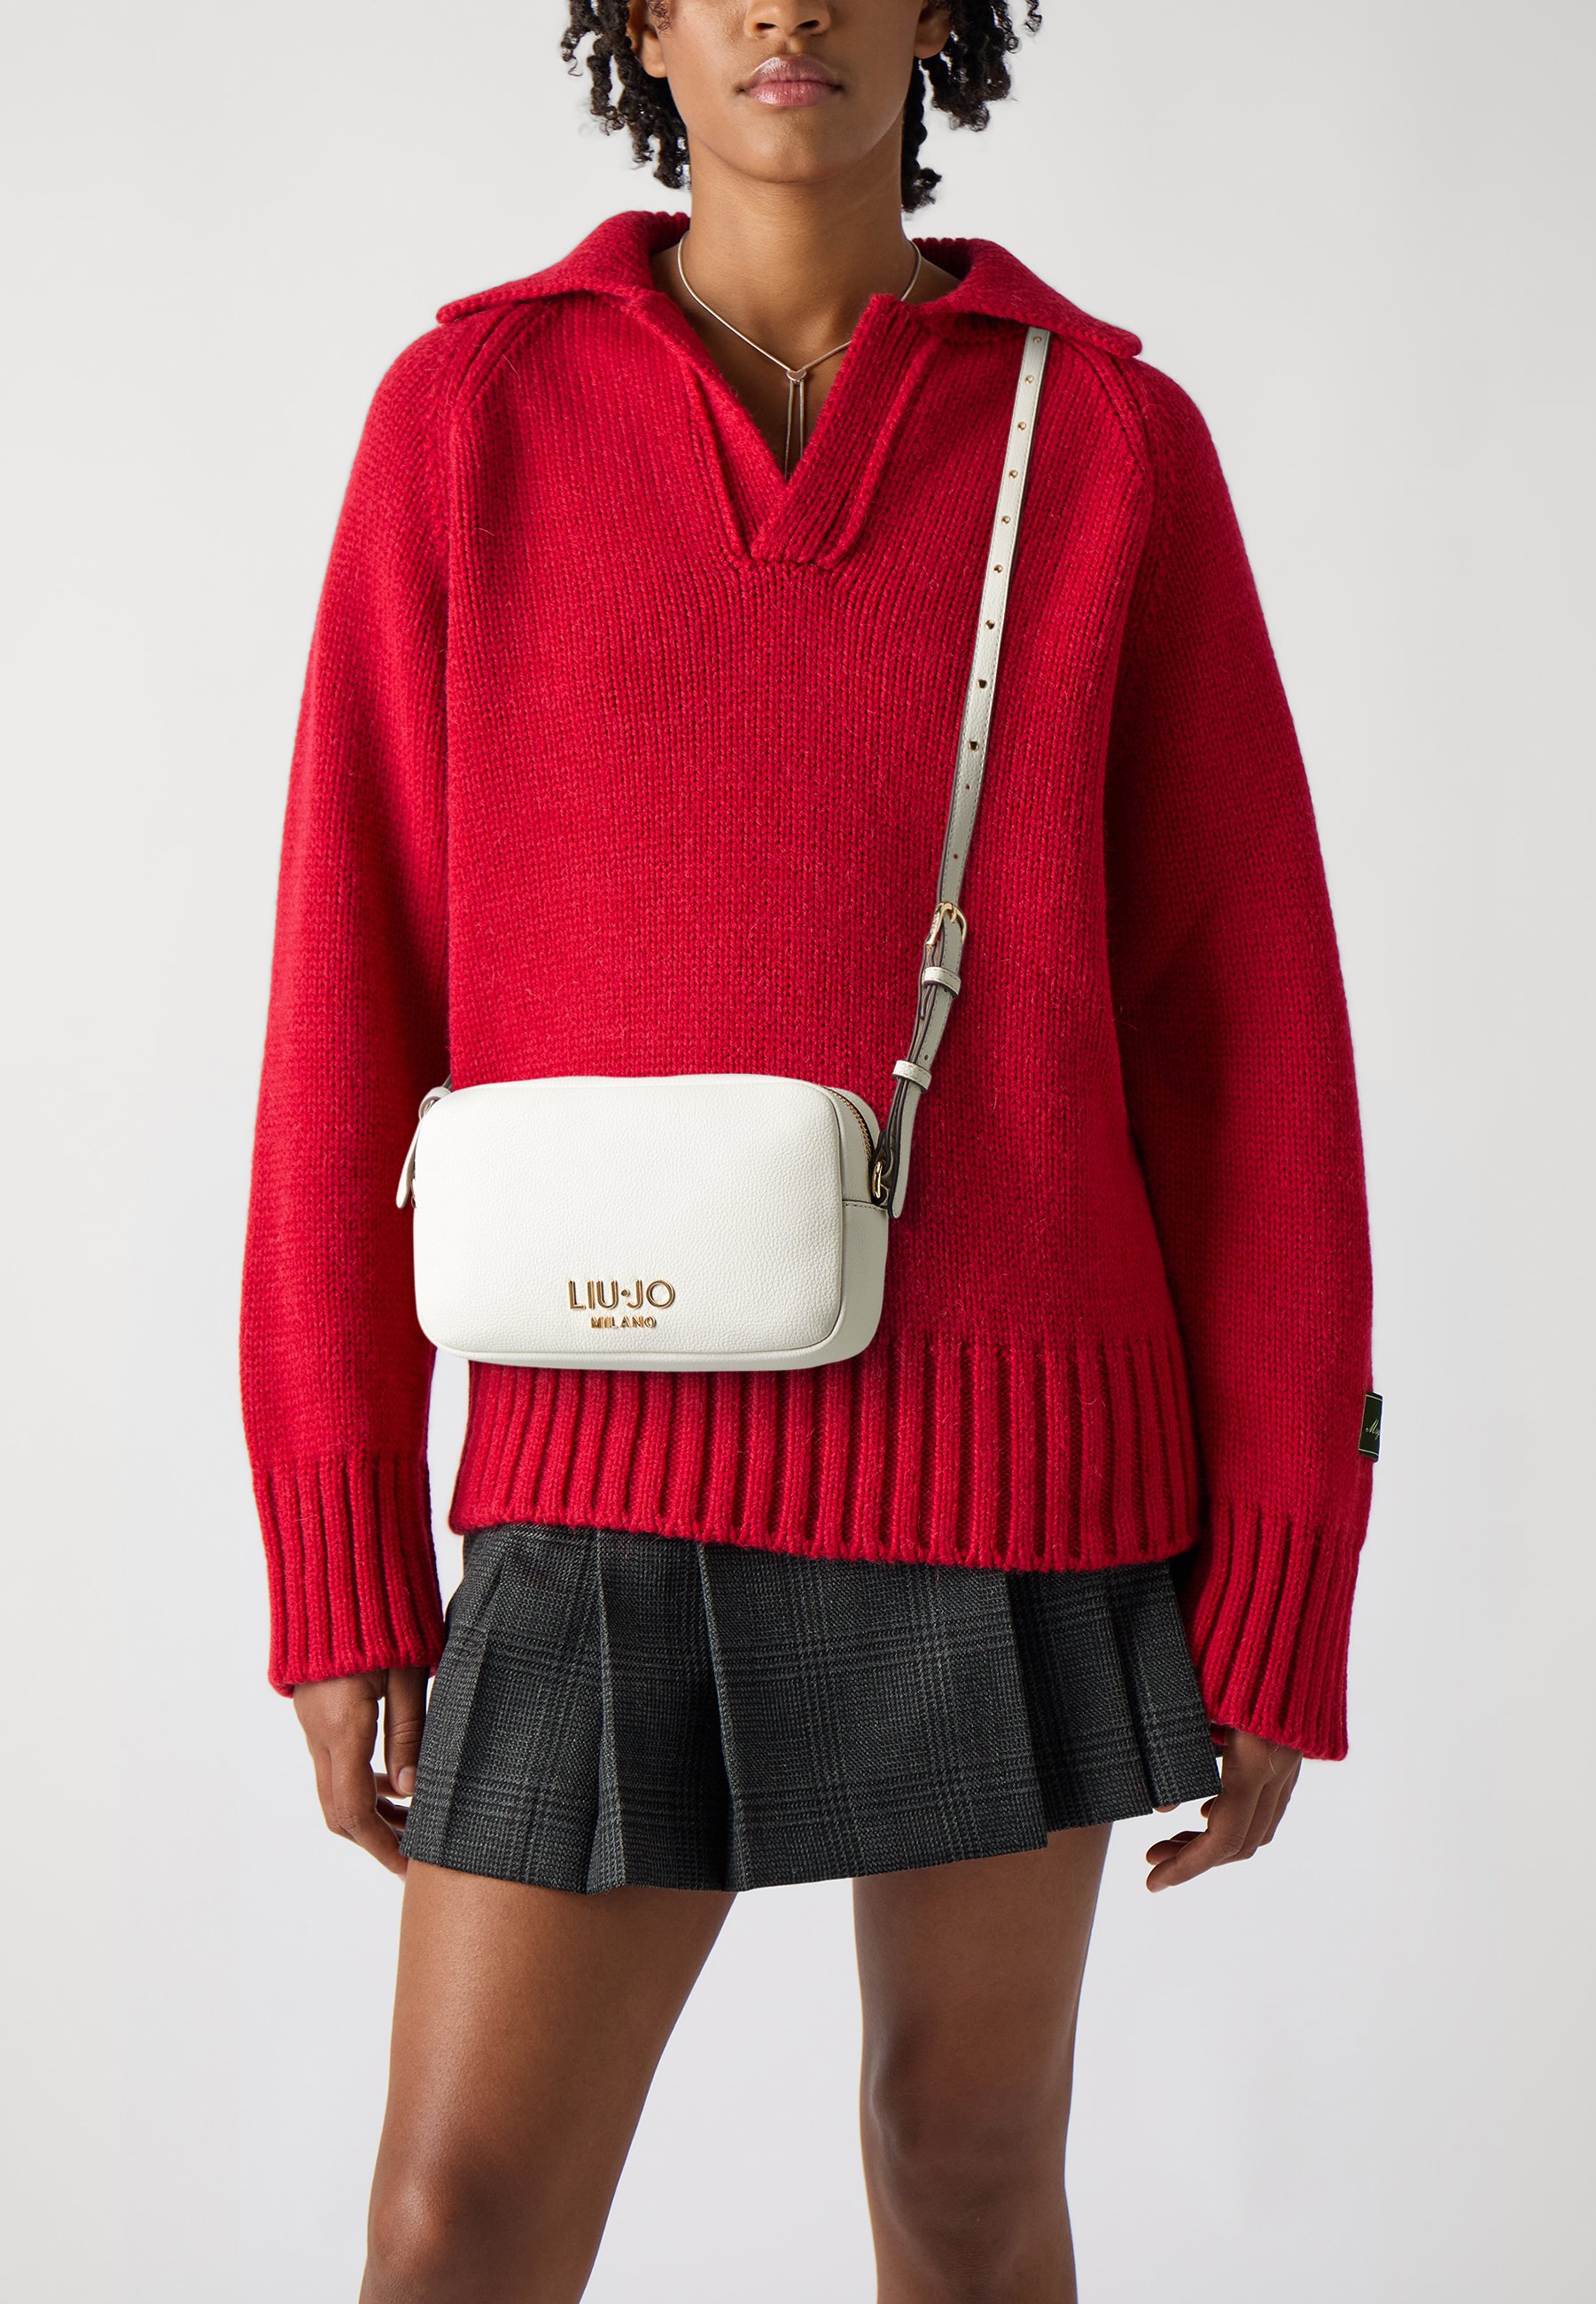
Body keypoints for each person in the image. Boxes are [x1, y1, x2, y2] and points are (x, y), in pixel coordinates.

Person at [238, 4, 1380, 2297]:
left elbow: (1249, 1037)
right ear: (639, 22)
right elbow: (346, 994)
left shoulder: (1107, 442)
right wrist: (338, 1537)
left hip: (1016, 1468)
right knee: (457, 2223)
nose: (788, 11)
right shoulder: (467, 419)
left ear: (944, 14)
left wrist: (1285, 1561)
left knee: (963, 2177)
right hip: (595, 1463)